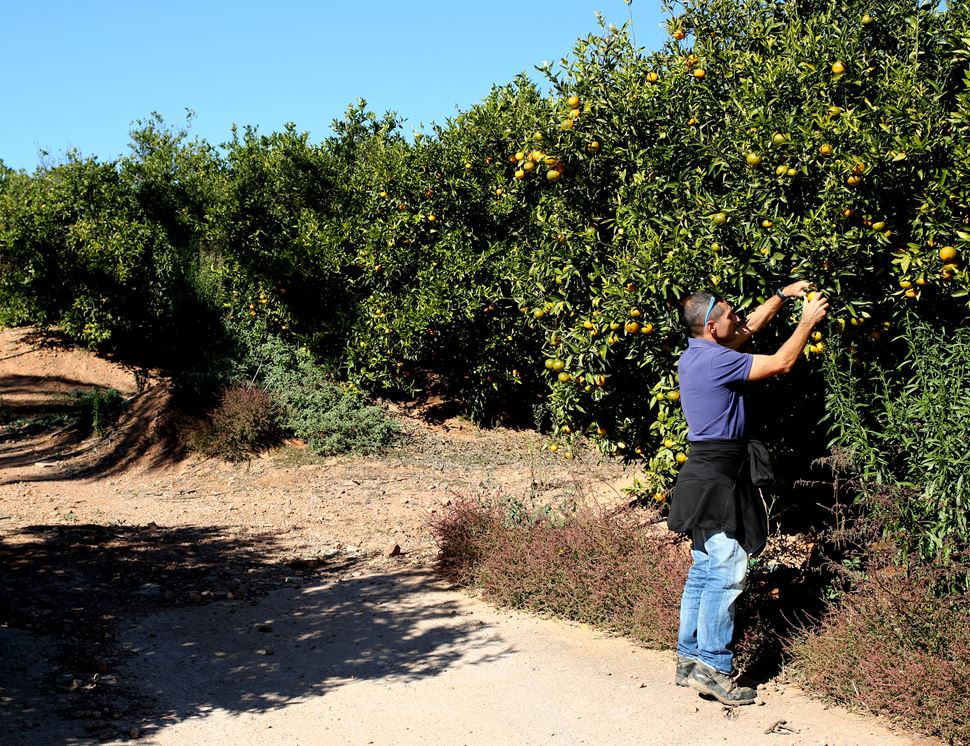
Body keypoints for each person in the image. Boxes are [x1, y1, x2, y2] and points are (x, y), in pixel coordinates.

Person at [668, 281, 829, 706]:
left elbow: (747, 330)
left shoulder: (697, 355)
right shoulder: (718, 362)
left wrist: (781, 294)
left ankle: (689, 661)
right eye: (729, 315)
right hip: (722, 475)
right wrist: (807, 321)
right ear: (711, 325)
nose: (737, 318)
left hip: (704, 469)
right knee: (728, 568)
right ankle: (713, 669)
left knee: (704, 566)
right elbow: (782, 362)